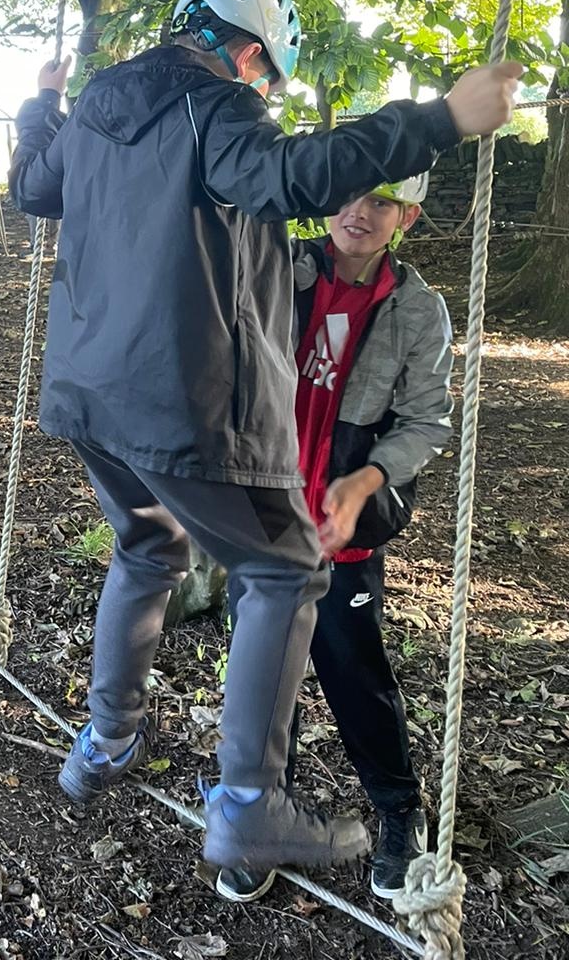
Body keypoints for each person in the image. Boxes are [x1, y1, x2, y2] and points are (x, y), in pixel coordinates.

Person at [9, 0, 519, 877]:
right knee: (285, 570)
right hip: (176, 397)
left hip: (86, 396)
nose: (267, 96)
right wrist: (439, 120)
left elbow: (33, 188)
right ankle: (249, 806)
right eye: (269, 80)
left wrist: (40, 107)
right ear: (250, 56)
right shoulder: (217, 106)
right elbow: (291, 176)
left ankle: (106, 739)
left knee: (147, 546)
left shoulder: (98, 104)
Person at [217, 172, 451, 905]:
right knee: (263, 671)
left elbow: (427, 419)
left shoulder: (417, 307)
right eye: (350, 194)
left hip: (341, 528)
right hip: (265, 513)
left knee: (354, 671)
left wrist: (369, 479)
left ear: (406, 217)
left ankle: (399, 808)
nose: (360, 212)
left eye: (382, 202)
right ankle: (263, 811)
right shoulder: (279, 266)